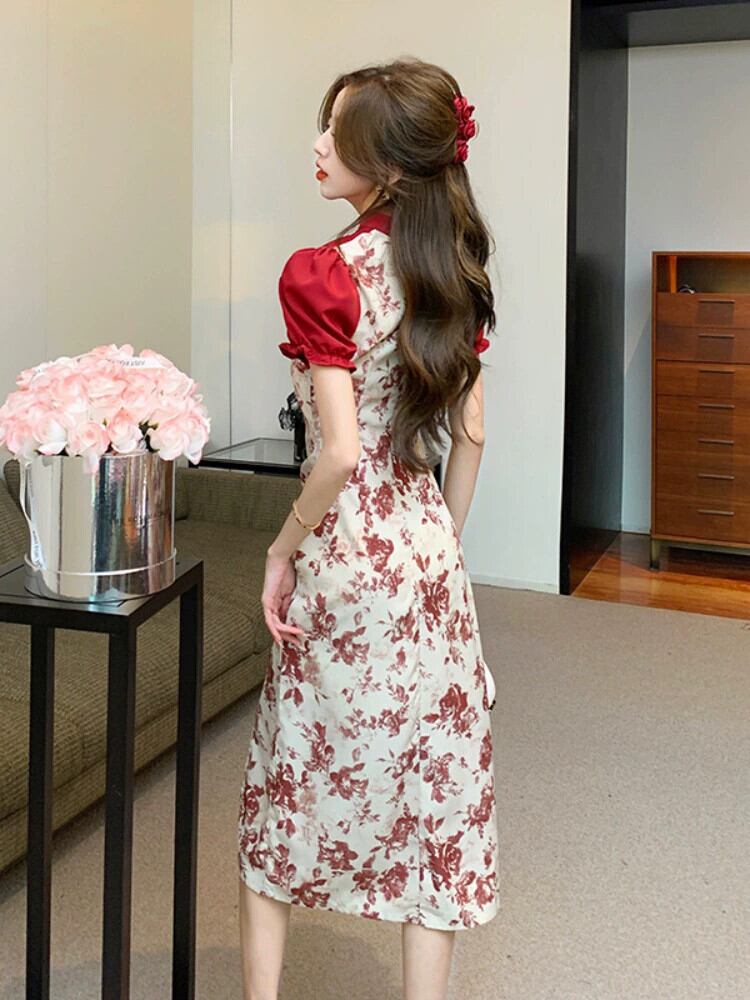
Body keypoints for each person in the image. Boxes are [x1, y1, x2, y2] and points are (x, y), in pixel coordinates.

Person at [237, 56, 498, 1000]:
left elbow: (340, 453)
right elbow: (473, 434)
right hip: (426, 550)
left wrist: (281, 549)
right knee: (437, 789)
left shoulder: (324, 275)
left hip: (345, 551)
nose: (317, 146)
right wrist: (443, 549)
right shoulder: (451, 272)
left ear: (386, 165)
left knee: (292, 779)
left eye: (335, 133)